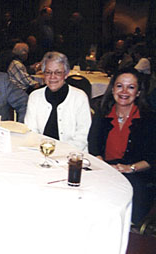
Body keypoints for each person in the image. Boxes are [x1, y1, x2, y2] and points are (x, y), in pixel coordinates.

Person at [88, 68, 156, 223]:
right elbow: (94, 145)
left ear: (138, 92)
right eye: (119, 86)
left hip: (136, 174)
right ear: (112, 89)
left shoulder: (149, 118)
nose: (124, 91)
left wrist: (130, 168)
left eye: (131, 87)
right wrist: (104, 167)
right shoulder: (103, 112)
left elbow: (152, 157)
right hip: (105, 168)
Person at [24, 51, 91, 151]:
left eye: (58, 72)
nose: (52, 77)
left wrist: (60, 153)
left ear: (66, 74)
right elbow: (31, 132)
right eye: (48, 72)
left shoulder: (79, 97)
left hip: (72, 155)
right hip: (41, 152)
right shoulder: (35, 96)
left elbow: (82, 136)